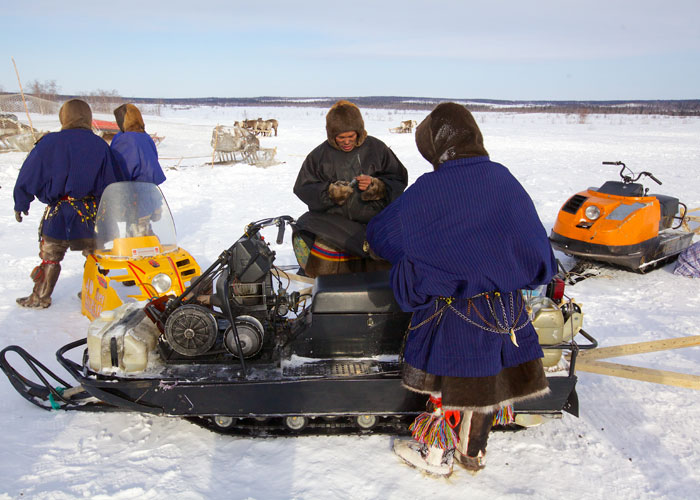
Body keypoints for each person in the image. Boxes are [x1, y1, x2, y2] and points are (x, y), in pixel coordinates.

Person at [366, 102, 557, 476]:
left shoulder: (428, 189)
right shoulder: (503, 178)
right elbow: (538, 250)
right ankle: (473, 453)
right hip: (507, 310)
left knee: (450, 383)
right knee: (486, 381)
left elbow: (382, 232)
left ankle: (435, 457)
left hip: (456, 310)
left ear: (433, 147)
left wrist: (427, 259)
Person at [13, 99, 124, 308]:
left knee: (50, 257)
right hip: (91, 214)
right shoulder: (99, 145)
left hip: (58, 213)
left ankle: (40, 297)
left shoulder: (49, 143)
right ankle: (92, 294)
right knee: (96, 257)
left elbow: (29, 174)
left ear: (64, 116)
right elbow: (112, 182)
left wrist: (21, 202)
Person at [293, 100, 408, 277]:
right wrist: (330, 192)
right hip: (334, 226)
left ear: (359, 132)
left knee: (381, 279)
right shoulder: (319, 156)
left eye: (351, 136)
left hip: (373, 221)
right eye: (341, 137)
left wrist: (376, 186)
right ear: (332, 135)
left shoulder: (377, 149)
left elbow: (399, 178)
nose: (346, 142)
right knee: (306, 225)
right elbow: (303, 187)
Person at [110, 103, 165, 184]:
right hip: (150, 189)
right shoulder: (146, 137)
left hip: (131, 189)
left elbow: (119, 168)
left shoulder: (125, 139)